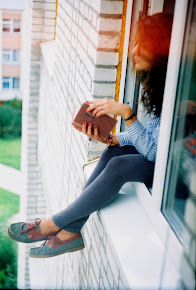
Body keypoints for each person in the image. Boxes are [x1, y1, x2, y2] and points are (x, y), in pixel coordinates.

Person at [7, 12, 173, 258]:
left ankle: (54, 225)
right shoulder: (163, 84)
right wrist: (113, 139)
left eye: (143, 46)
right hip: (165, 161)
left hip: (176, 178)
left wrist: (127, 114)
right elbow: (153, 137)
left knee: (119, 165)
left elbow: (155, 152)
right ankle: (71, 231)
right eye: (135, 43)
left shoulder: (180, 90)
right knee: (114, 151)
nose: (134, 51)